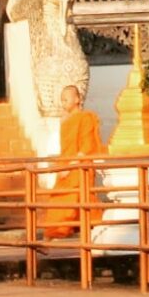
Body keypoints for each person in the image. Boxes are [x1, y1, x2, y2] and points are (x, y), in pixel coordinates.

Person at [40, 83, 107, 237]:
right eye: (62, 100)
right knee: (60, 199)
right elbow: (65, 148)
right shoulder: (66, 121)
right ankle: (59, 231)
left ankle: (91, 228)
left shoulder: (86, 118)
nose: (63, 103)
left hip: (78, 165)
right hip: (65, 165)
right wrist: (62, 167)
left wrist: (71, 166)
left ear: (77, 99)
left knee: (82, 197)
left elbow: (86, 146)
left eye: (66, 99)